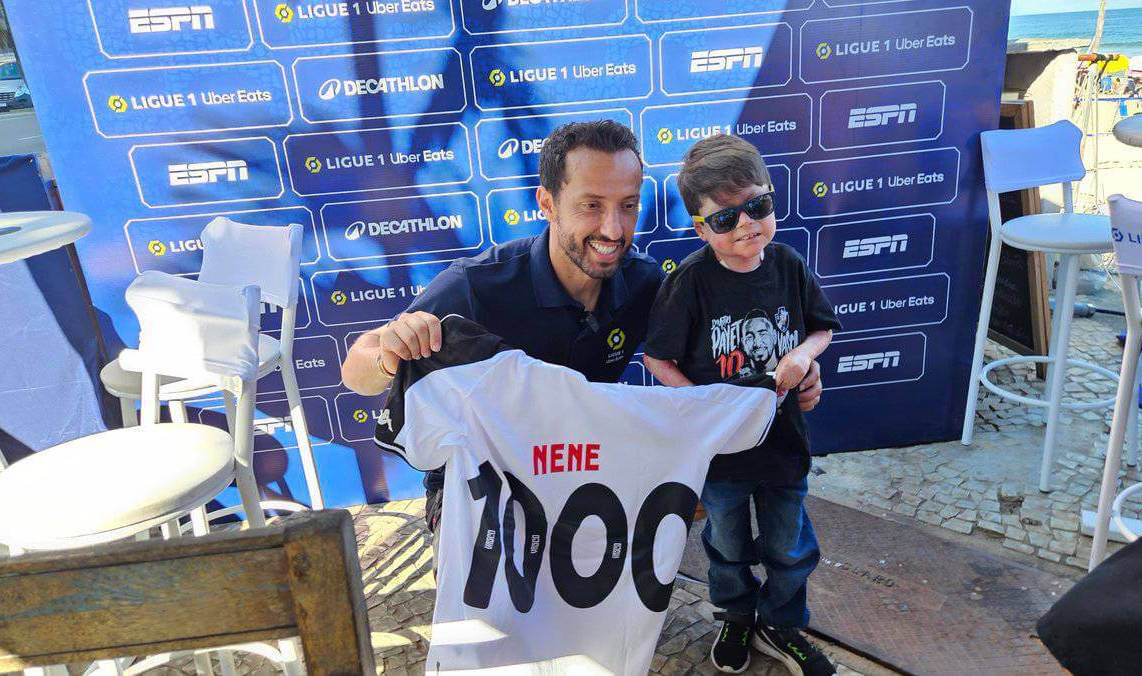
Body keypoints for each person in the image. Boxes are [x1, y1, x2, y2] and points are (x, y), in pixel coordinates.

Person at [340, 120, 825, 528]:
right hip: (482, 479)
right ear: (547, 204)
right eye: (591, 205)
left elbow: (721, 349)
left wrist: (789, 371)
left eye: (628, 206)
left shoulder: (647, 284)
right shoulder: (477, 285)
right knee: (498, 608)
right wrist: (387, 352)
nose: (614, 230)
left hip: (586, 467)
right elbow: (355, 371)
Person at [643, 135, 840, 676]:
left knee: (789, 544)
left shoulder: (788, 264)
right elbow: (658, 359)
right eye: (726, 218)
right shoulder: (689, 282)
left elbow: (821, 327)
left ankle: (782, 623)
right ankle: (734, 613)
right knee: (726, 543)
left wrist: (802, 353)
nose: (747, 225)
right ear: (699, 226)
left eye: (757, 206)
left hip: (785, 446)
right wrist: (701, 409)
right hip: (723, 457)